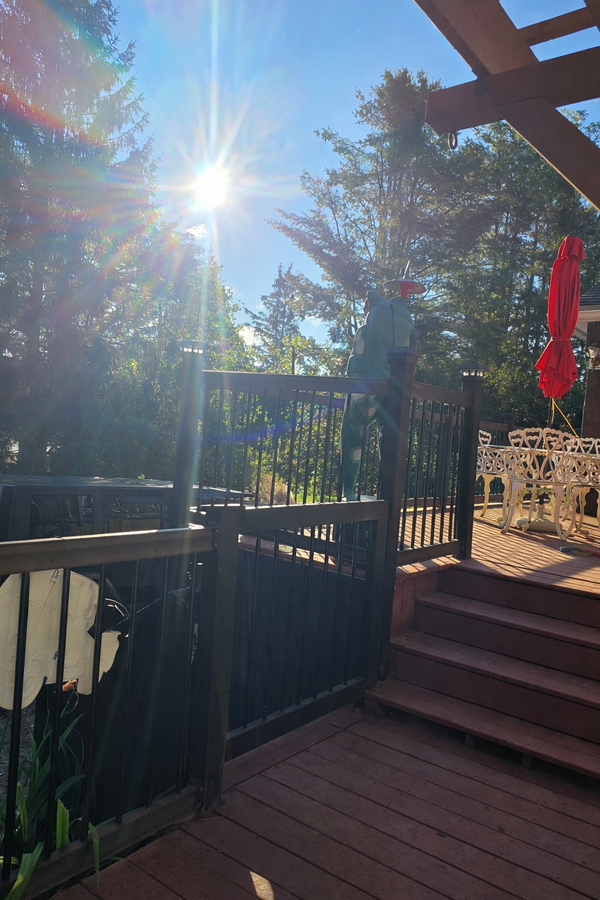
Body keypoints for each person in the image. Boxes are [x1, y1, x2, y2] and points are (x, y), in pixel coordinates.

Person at [340, 281, 420, 500]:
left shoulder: (370, 323)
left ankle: (348, 489)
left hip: (367, 384)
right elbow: (414, 342)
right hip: (396, 386)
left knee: (352, 433)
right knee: (389, 436)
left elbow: (358, 355)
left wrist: (353, 372)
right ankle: (389, 494)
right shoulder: (405, 320)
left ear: (369, 303)